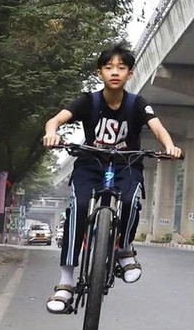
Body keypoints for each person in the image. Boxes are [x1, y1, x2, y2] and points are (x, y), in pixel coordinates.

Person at [39, 42, 181, 314]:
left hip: (127, 165)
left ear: (130, 74)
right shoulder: (87, 101)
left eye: (121, 67)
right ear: (99, 73)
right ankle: (66, 282)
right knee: (78, 209)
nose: (115, 72)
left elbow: (158, 127)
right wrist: (52, 132)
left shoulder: (137, 104)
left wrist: (170, 146)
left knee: (130, 201)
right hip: (90, 164)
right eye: (108, 67)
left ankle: (124, 249)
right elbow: (54, 120)